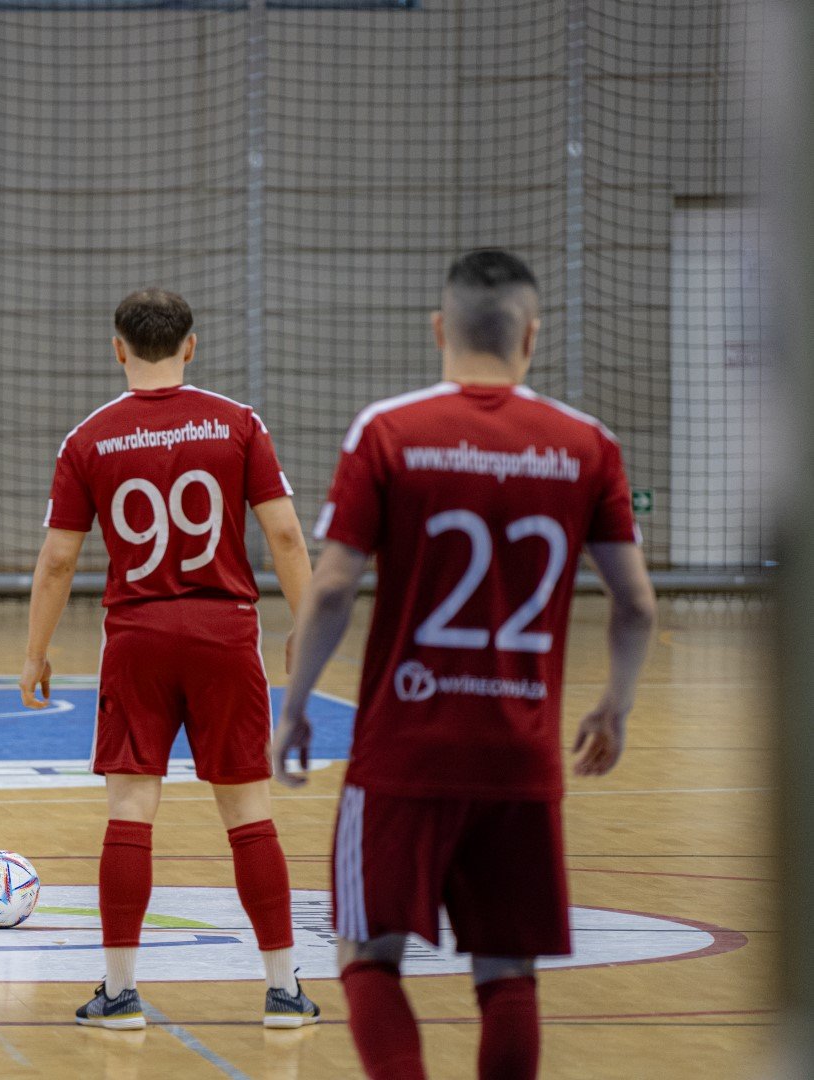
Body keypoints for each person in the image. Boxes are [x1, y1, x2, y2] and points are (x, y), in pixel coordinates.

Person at [274, 250, 657, 1079]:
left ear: (439, 328)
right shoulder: (587, 444)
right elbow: (635, 604)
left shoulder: (388, 430)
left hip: (403, 751)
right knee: (506, 970)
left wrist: (296, 704)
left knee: (367, 951)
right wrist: (615, 705)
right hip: (520, 755)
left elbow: (333, 586)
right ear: (532, 336)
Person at [20, 288, 320, 1030]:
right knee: (248, 811)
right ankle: (284, 990)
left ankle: (120, 994)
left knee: (130, 808)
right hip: (225, 633)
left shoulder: (89, 438)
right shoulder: (239, 423)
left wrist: (35, 652)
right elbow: (285, 536)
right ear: (191, 345)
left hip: (138, 637)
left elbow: (58, 561)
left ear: (117, 348)